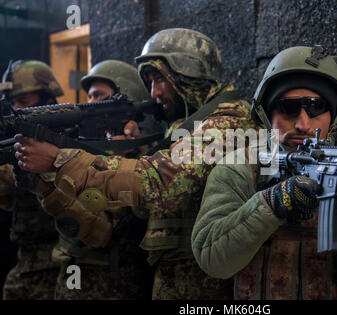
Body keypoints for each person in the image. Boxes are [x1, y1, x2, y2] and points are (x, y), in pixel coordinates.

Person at [13, 28, 258, 299]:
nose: (154, 93)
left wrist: (59, 161)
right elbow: (138, 207)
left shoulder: (227, 123)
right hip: (179, 276)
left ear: (186, 75)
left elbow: (159, 183)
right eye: (149, 82)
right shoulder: (185, 126)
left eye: (159, 80)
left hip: (206, 283)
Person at [190, 46, 337, 300]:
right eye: (289, 108)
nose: (303, 123)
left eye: (317, 107)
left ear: (333, 114)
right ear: (268, 114)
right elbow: (211, 258)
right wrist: (271, 204)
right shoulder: (242, 167)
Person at [46, 59, 160, 299]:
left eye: (99, 96)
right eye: (89, 97)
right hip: (74, 276)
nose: (90, 104)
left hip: (114, 282)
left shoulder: (148, 155)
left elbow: (106, 228)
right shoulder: (86, 147)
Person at [0, 60, 64, 299]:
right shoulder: (14, 141)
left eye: (24, 103)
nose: (16, 110)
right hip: (25, 258)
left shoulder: (66, 141)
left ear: (47, 98)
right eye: (12, 103)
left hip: (58, 262)